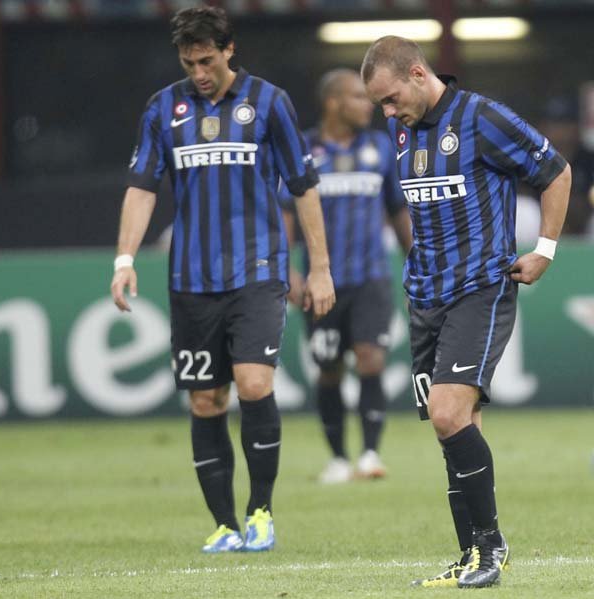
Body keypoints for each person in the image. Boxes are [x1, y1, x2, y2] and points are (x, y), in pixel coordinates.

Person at [110, 6, 335, 553]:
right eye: (189, 63)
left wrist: (320, 268)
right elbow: (142, 187)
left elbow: (303, 186)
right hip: (191, 276)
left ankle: (261, 511)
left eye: (207, 61)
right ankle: (224, 524)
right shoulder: (163, 108)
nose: (199, 73)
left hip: (258, 270)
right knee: (206, 401)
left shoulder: (269, 102)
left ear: (229, 50)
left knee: (254, 384)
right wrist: (124, 259)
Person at [362, 36, 570, 588]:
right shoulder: (401, 127)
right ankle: (472, 555)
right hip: (424, 294)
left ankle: (493, 546)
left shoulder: (482, 118)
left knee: (448, 413)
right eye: (380, 105)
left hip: (480, 288)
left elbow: (556, 171)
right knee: (453, 426)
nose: (387, 113)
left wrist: (545, 250)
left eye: (390, 99)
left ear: (417, 73)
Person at [281, 69, 412, 484]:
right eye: (357, 97)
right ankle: (338, 458)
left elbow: (398, 210)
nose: (367, 105)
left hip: (371, 276)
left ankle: (370, 454)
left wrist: (417, 265)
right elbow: (285, 212)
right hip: (321, 283)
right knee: (329, 369)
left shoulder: (380, 147)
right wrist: (286, 268)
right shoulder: (302, 149)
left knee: (372, 358)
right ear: (333, 102)